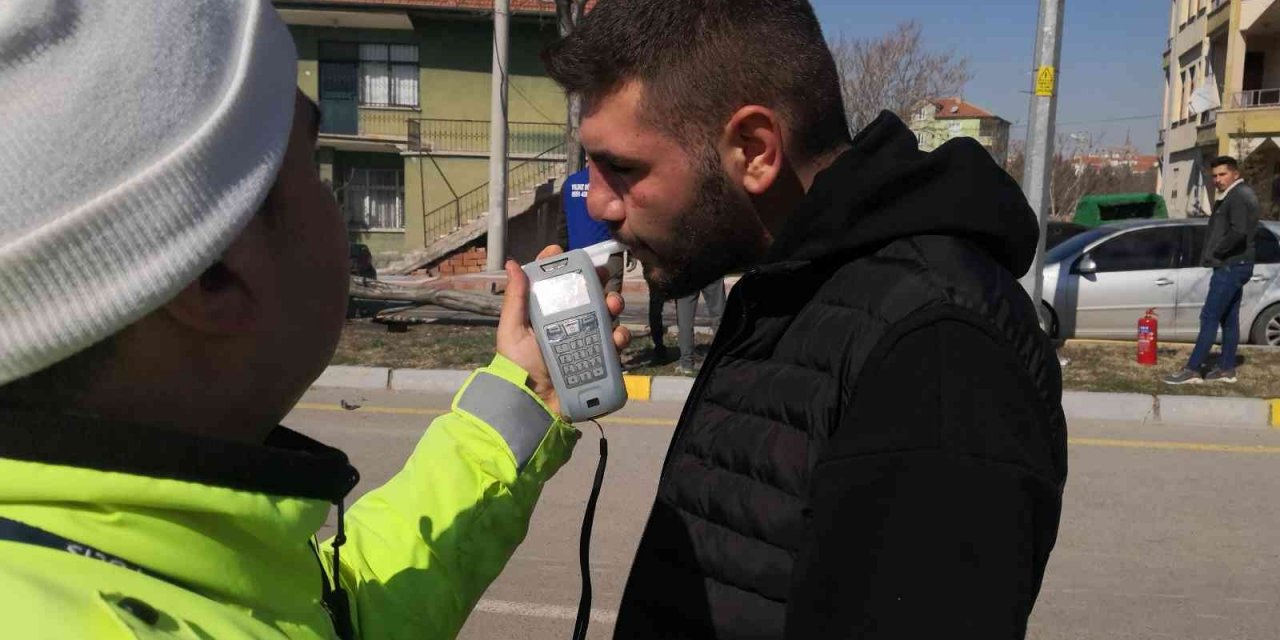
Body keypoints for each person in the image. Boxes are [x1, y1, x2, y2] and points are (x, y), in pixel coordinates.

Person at [0, 2, 626, 638]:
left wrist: (526, 392)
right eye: (313, 166)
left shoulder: (155, 563)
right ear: (215, 274)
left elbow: (346, 612)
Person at [543, 1, 1068, 637]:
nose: (597, 202)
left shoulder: (940, 350)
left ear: (755, 150)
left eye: (622, 168)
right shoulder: (787, 290)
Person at [1165, 156, 1260, 385]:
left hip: (1230, 265)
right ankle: (1227, 369)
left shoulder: (1237, 197)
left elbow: (1238, 233)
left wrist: (1217, 251)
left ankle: (1193, 369)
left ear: (1235, 174)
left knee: (1209, 316)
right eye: (1214, 176)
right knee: (1228, 318)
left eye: (1222, 174)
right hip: (1235, 264)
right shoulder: (1236, 195)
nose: (1217, 180)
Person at [561, 166, 625, 294]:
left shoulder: (570, 182)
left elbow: (562, 225)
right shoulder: (614, 181)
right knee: (609, 306)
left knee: (582, 306)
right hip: (609, 253)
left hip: (577, 257)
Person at [674, 278, 726, 375]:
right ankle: (723, 360)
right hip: (711, 268)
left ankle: (687, 364)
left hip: (687, 272)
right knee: (719, 316)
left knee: (685, 320)